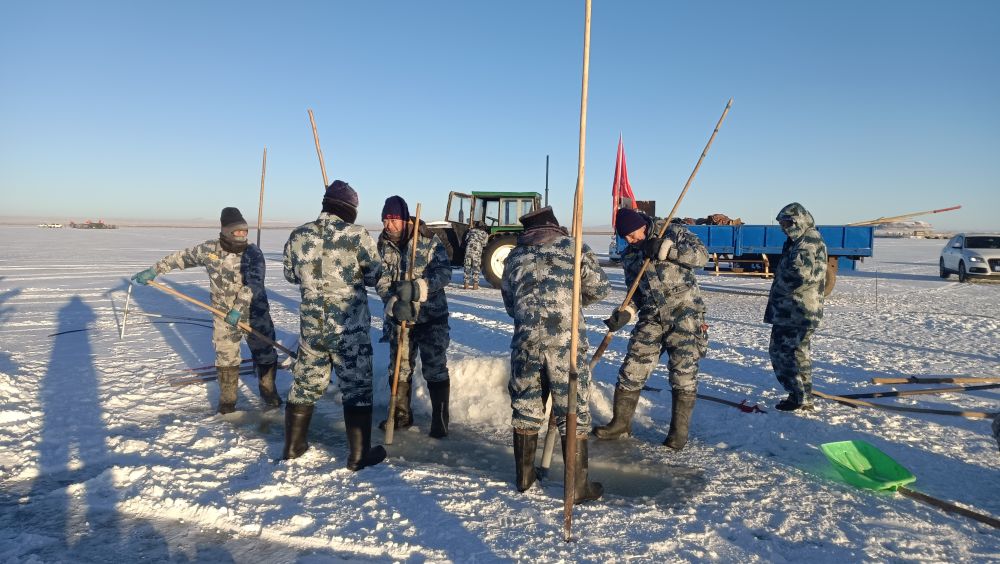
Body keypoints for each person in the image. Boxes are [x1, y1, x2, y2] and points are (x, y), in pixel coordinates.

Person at [501, 206, 609, 503]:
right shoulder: (575, 249)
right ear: (554, 226)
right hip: (566, 345)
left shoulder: (514, 256)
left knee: (525, 407)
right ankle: (577, 486)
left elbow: (510, 304)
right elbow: (600, 289)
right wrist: (571, 300)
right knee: (572, 409)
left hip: (525, 342)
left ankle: (524, 479)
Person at [131, 207, 281, 413]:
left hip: (255, 314)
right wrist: (155, 270)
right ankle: (228, 405)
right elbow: (181, 257)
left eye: (245, 231)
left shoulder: (253, 252)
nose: (242, 236)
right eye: (237, 231)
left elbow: (255, 283)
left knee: (265, 354)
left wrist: (238, 308)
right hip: (223, 316)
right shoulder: (210, 250)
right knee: (226, 358)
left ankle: (270, 396)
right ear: (226, 230)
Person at [281, 180, 386, 471]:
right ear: (349, 209)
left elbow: (291, 275)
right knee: (356, 388)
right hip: (348, 328)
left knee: (305, 383)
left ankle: (293, 446)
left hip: (312, 328)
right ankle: (358, 455)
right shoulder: (357, 236)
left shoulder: (298, 235)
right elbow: (376, 274)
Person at [593, 208, 708, 450]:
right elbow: (635, 293)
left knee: (683, 373)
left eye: (633, 236)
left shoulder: (673, 232)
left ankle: (678, 434)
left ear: (643, 226)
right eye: (625, 238)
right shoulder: (630, 255)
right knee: (632, 368)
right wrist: (626, 313)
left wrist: (668, 251)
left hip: (685, 315)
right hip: (652, 317)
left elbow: (702, 257)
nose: (629, 241)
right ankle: (620, 425)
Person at [376, 196, 453, 438]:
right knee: (400, 368)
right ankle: (400, 415)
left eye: (394, 219)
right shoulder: (383, 244)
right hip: (401, 320)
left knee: (435, 368)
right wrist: (392, 301)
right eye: (386, 219)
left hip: (431, 318)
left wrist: (420, 288)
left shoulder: (428, 240)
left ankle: (440, 421)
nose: (389, 225)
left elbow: (444, 272)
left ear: (405, 219)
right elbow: (381, 279)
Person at [764, 202, 828, 411]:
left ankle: (801, 398)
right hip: (789, 309)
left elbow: (801, 276)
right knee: (786, 352)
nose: (783, 227)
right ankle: (798, 395)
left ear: (798, 220)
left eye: (787, 222)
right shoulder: (797, 240)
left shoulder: (808, 242)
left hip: (798, 311)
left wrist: (780, 287)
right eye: (781, 223)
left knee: (791, 353)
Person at [462, 224, 489, 289]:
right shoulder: (484, 233)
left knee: (467, 267)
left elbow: (466, 240)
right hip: (476, 253)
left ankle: (466, 284)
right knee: (476, 267)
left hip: (468, 252)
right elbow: (484, 244)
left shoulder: (470, 231)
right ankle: (475, 285)